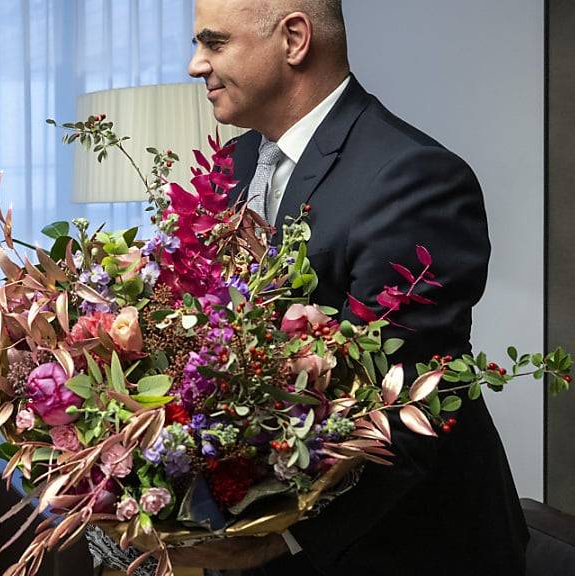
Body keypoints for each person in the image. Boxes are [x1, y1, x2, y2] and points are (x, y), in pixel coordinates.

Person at [168, 1, 527, 574]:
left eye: (214, 43)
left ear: (293, 39)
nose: (195, 64)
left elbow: (412, 401)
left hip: (398, 546)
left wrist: (274, 542)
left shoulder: (413, 179)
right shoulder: (235, 163)